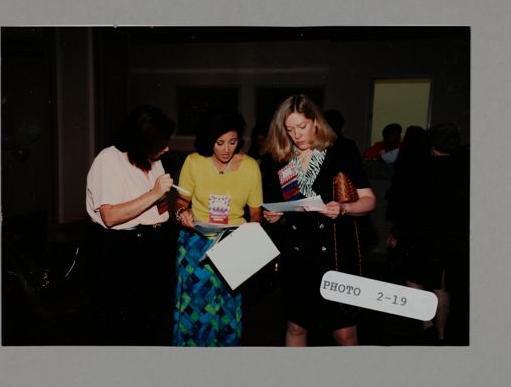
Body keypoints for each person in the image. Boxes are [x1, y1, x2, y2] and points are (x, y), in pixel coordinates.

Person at [262, 94, 376, 346]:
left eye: (302, 127)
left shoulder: (341, 150)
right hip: (297, 254)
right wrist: (274, 215)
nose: (296, 135)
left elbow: (369, 200)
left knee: (344, 331)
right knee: (296, 325)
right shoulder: (280, 157)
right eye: (289, 130)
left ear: (316, 121)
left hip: (334, 252)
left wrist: (344, 208)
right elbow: (281, 203)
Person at [85, 104, 176, 345]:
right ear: (141, 143)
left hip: (153, 243)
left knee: (152, 321)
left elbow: (158, 208)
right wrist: (155, 194)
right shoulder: (108, 160)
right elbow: (110, 216)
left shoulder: (151, 159)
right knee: (123, 326)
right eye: (160, 144)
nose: (166, 149)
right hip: (122, 248)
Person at [172, 109, 263, 346]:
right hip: (195, 245)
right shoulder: (194, 162)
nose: (226, 149)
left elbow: (255, 212)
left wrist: (251, 232)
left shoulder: (251, 167)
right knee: (195, 310)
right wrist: (183, 212)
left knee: (226, 308)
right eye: (219, 142)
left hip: (233, 243)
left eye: (232, 142)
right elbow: (180, 201)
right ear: (208, 140)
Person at [388, 123, 468, 344]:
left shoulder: (420, 168)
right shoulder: (464, 170)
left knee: (414, 282)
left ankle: (427, 325)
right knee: (442, 288)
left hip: (419, 236)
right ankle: (441, 335)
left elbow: (407, 207)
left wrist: (397, 233)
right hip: (450, 237)